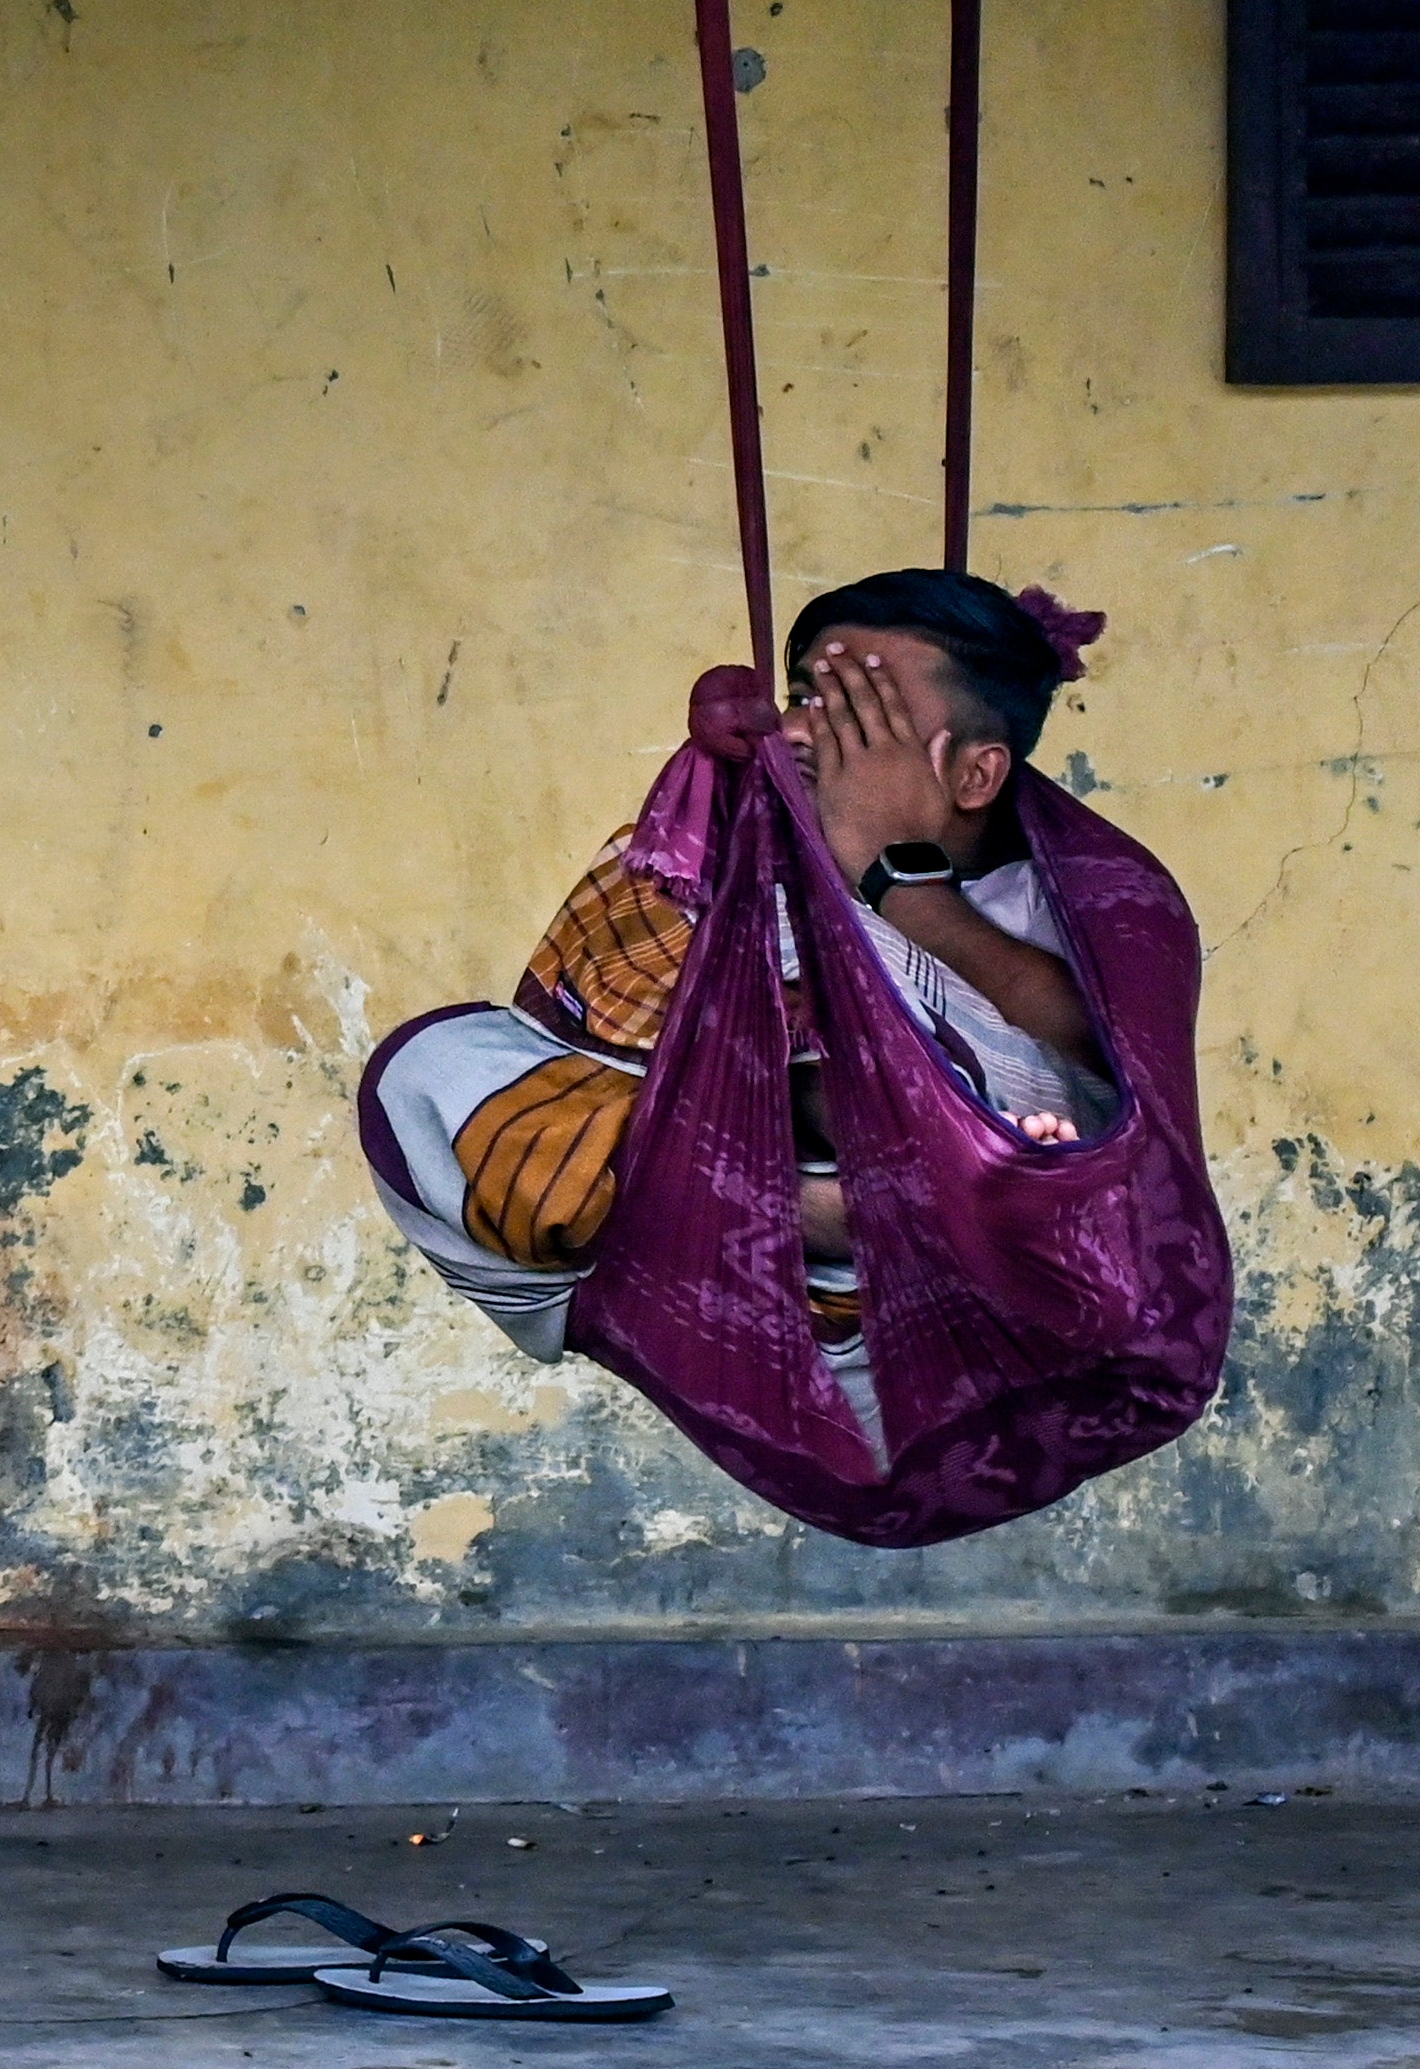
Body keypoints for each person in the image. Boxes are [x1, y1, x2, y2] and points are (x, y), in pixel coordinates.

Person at [366, 571, 1114, 1435]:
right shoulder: (729, 851)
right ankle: (820, 1210)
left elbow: (1107, 1091)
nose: (797, 733)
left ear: (977, 777)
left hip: (926, 1331)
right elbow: (593, 1043)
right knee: (428, 1071)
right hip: (710, 1271)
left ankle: (834, 1202)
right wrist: (707, 806)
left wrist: (891, 875)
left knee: (907, 1043)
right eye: (800, 697)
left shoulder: (1071, 901)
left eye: (862, 720)